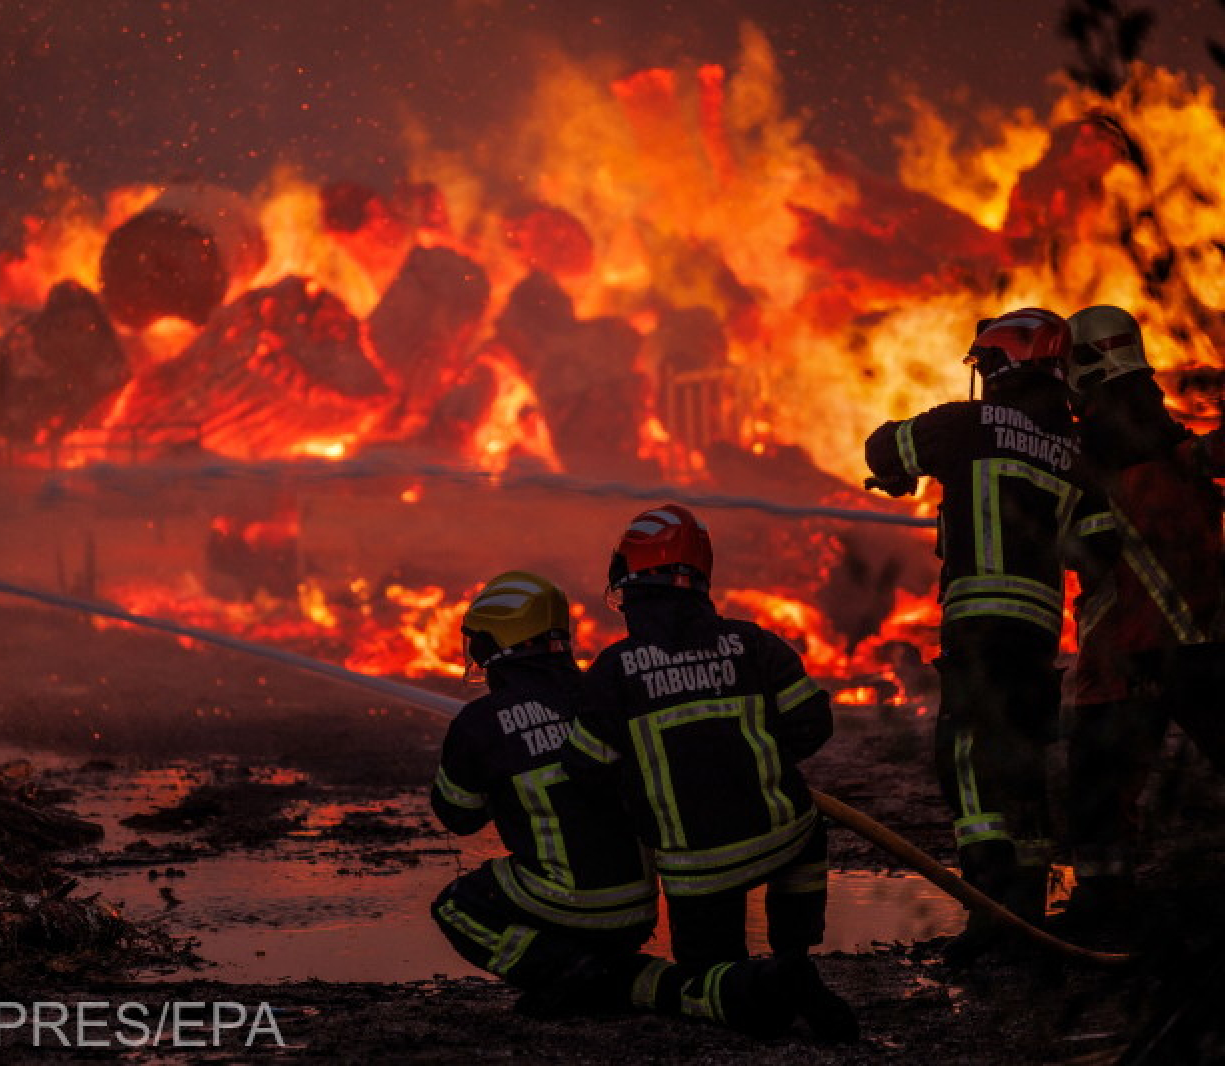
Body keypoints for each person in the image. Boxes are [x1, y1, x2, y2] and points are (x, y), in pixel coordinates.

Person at [431, 569, 804, 1036]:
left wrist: (481, 756)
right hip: (635, 911)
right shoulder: (605, 691)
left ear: (494, 647)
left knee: (455, 906)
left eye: (479, 645)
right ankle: (719, 987)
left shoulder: (480, 722)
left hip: (561, 906)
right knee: (622, 978)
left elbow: (457, 816)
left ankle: (555, 968)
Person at [863, 307, 1118, 963]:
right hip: (1038, 628)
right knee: (1025, 759)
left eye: (984, 364)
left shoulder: (964, 425)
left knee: (969, 759)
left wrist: (899, 474)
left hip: (979, 619)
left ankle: (991, 918)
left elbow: (883, 445)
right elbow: (1095, 551)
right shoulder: (1075, 451)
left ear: (1003, 365)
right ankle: (1028, 912)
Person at [561, 507, 858, 1042]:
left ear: (629, 587)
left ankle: (767, 980)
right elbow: (813, 726)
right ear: (700, 582)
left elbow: (585, 770)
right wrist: (754, 756)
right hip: (781, 837)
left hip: (696, 867)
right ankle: (795, 953)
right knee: (808, 830)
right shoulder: (755, 646)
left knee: (711, 980)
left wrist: (642, 786)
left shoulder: (612, 672)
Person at [1059, 304, 1225, 925]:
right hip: (1204, 640)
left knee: (1099, 783)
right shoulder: (1176, 445)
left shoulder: (1082, 452)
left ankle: (1103, 906)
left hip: (1125, 650)